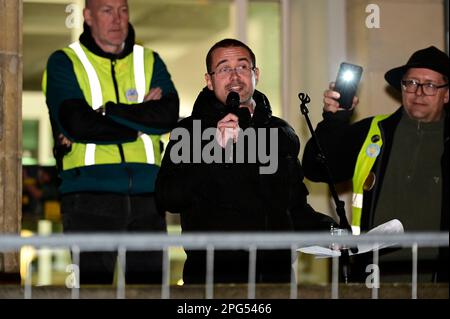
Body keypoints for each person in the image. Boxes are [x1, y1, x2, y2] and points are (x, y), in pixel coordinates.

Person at [155, 38, 335, 284]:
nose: (234, 76)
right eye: (224, 69)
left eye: (242, 67)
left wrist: (331, 231)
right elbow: (169, 197)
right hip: (212, 280)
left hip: (276, 279)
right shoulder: (189, 132)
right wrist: (215, 150)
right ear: (209, 80)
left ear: (256, 74)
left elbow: (292, 205)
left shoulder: (280, 132)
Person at [42, 0, 179, 284]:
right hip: (89, 198)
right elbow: (77, 123)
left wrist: (107, 112)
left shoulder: (148, 60)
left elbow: (166, 116)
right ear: (88, 17)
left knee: (150, 293)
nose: (118, 19)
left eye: (123, 10)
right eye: (107, 11)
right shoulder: (64, 61)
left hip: (147, 198)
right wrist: (139, 126)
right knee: (93, 293)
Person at [302, 46, 449, 282]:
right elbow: (316, 168)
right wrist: (334, 120)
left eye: (430, 85)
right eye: (410, 83)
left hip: (438, 281)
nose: (418, 92)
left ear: (447, 94)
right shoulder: (374, 132)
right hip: (373, 277)